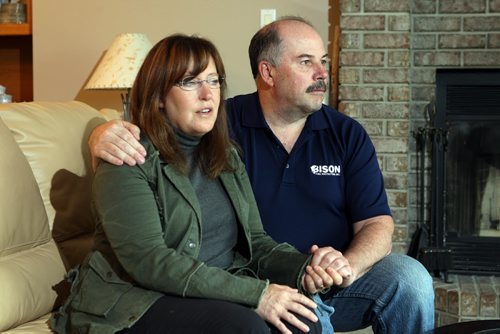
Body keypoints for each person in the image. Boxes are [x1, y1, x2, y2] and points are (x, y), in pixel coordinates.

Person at [88, 17, 435, 333]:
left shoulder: (339, 135)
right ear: (267, 73)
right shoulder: (227, 126)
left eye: (323, 62)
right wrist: (100, 133)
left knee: (411, 278)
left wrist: (337, 266)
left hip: (317, 275)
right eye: (306, 62)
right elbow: (152, 252)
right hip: (249, 282)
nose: (322, 73)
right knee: (300, 320)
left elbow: (376, 223)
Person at [50, 33, 347, 334]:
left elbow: (256, 242)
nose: (208, 94)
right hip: (136, 299)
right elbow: (149, 261)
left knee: (302, 322)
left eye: (214, 80)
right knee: (246, 327)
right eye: (190, 82)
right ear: (159, 97)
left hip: (208, 291)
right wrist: (255, 294)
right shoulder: (128, 158)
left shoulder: (225, 155)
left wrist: (307, 267)